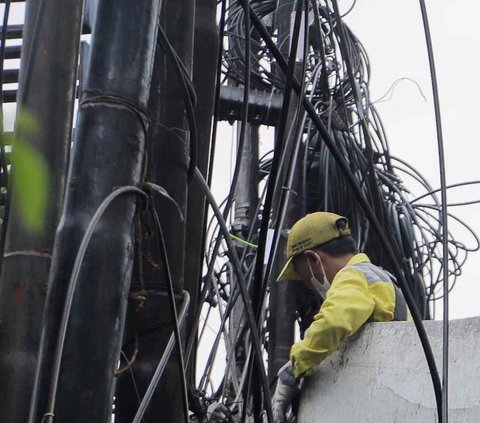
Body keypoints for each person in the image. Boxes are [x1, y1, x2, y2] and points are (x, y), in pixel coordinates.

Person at [270, 212, 409, 423]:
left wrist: (293, 368)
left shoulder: (354, 276)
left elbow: (333, 322)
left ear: (313, 259)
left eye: (307, 279)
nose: (310, 286)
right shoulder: (379, 277)